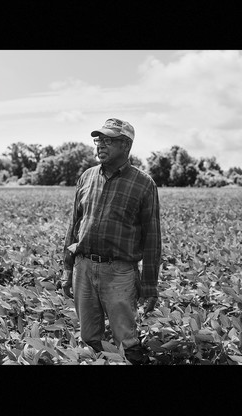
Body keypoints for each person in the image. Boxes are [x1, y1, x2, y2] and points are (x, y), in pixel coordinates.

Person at [61, 118, 161, 365]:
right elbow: (74, 226)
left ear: (126, 145)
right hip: (83, 267)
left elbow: (152, 238)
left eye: (108, 140)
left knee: (126, 339)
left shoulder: (143, 183)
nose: (100, 145)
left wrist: (149, 286)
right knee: (88, 336)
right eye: (99, 139)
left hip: (119, 272)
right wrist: (66, 269)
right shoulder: (87, 177)